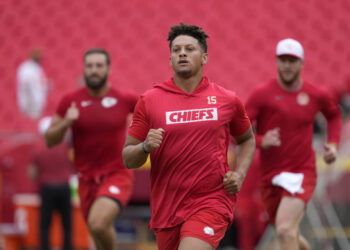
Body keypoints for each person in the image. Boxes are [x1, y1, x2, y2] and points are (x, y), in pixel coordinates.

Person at [122, 23, 256, 250]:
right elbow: (128, 157)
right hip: (167, 209)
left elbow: (247, 139)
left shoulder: (227, 100)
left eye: (189, 49)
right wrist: (145, 146)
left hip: (212, 201)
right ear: (170, 60)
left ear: (204, 58)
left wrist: (240, 174)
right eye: (176, 50)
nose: (182, 53)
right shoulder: (149, 100)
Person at [245, 38, 342, 250]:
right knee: (289, 233)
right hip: (270, 176)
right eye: (283, 60)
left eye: (292, 60)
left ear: (302, 63)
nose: (287, 65)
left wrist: (333, 144)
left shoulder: (316, 94)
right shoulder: (261, 95)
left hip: (301, 172)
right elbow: (239, 130)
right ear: (276, 62)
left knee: (284, 230)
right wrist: (262, 140)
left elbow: (334, 116)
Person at [44, 48, 138, 250]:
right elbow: (50, 140)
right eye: (90, 66)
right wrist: (66, 122)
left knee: (98, 222)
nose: (94, 70)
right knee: (97, 230)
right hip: (86, 179)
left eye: (99, 66)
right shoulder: (70, 101)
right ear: (84, 69)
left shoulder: (125, 99)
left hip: (117, 173)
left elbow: (151, 114)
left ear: (108, 69)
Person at [28, 116, 74, 250]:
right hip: (64, 188)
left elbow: (32, 173)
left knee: (45, 226)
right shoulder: (65, 146)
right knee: (67, 226)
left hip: (47, 189)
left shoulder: (37, 148)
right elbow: (73, 165)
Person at [17, 48, 49, 120]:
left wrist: (46, 85)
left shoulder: (38, 68)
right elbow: (25, 83)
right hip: (29, 96)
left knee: (36, 115)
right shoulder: (26, 67)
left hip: (37, 97)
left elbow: (41, 82)